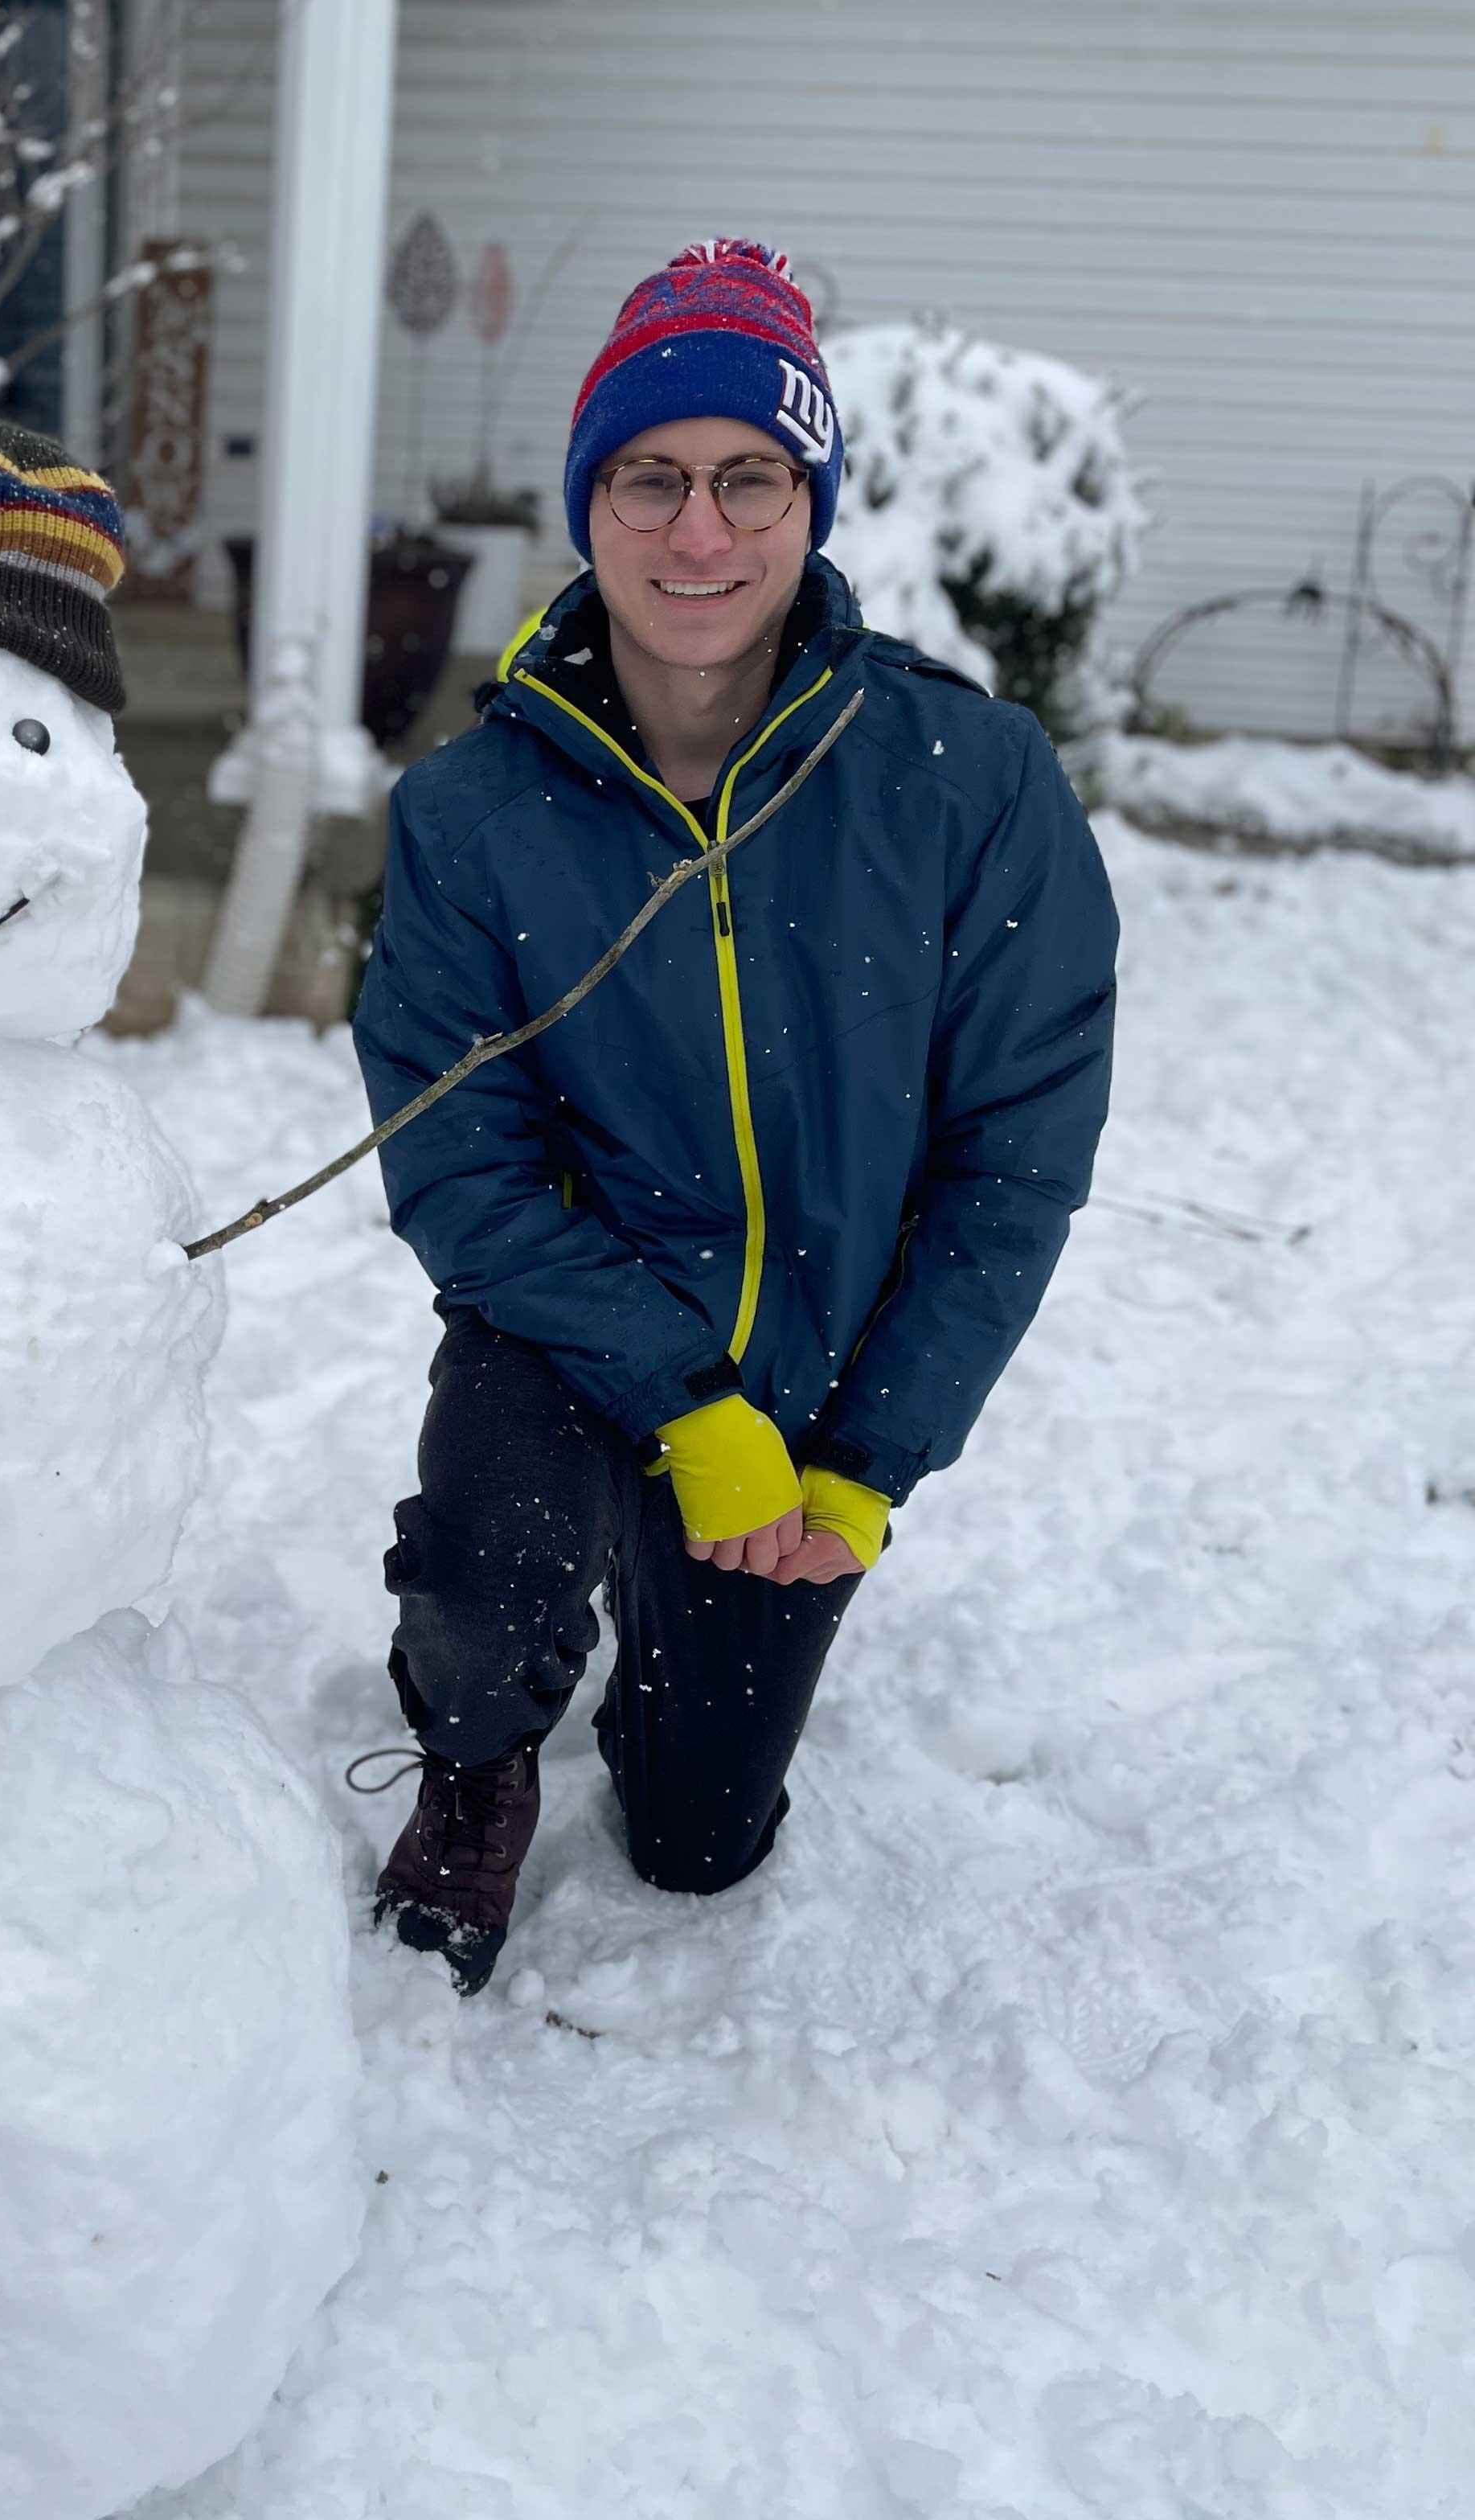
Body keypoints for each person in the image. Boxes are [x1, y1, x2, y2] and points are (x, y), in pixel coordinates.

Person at [349, 238, 1118, 1995]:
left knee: (698, 1845)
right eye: (649, 478)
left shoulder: (967, 781)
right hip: (570, 1329)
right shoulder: (474, 814)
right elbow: (457, 1160)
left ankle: (680, 1671)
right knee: (484, 1572)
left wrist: (864, 1457)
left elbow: (1016, 1160)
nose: (699, 534)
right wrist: (678, 1399)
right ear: (590, 502)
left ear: (811, 498)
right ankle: (479, 1754)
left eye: (749, 477)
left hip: (826, 1362)